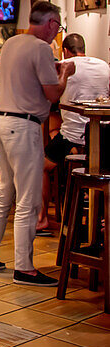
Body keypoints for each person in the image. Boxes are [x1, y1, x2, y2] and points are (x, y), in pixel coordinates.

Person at [0, 1, 75, 285]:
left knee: (3, 192)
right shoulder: (42, 48)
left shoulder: (11, 43)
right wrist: (64, 74)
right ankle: (25, 267)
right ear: (51, 23)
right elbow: (53, 94)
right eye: (58, 26)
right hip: (23, 126)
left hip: (1, 124)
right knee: (28, 200)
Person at [35, 33, 110, 233]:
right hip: (103, 137)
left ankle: (42, 218)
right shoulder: (104, 65)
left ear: (65, 50)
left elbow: (49, 96)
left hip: (74, 135)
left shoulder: (63, 65)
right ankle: (99, 214)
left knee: (40, 166)